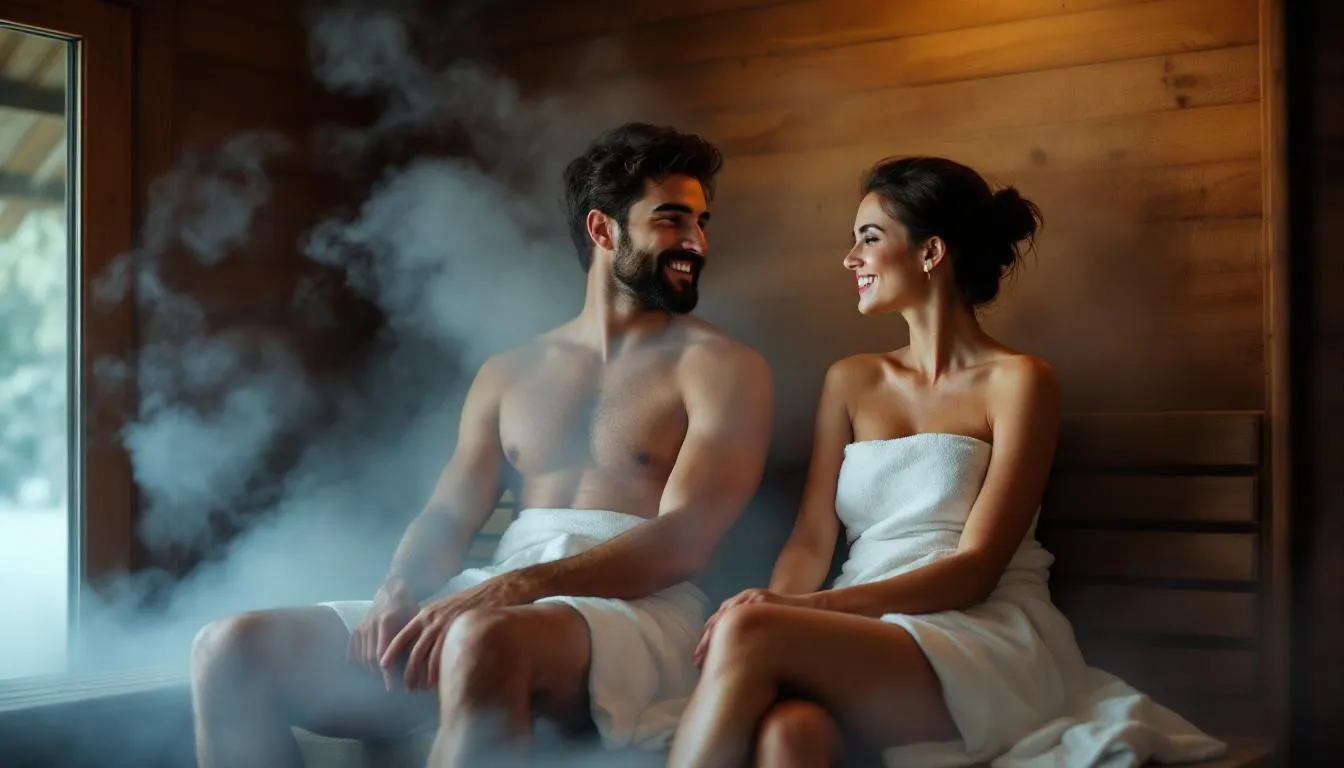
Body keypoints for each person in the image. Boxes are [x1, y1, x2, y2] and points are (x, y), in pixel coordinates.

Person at [189, 122, 774, 768]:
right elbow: (448, 513)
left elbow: (684, 540)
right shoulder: (511, 371)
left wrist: (507, 592)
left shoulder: (721, 367)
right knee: (229, 649)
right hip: (501, 595)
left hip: (641, 613)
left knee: (480, 637)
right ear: (603, 230)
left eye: (701, 220)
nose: (696, 240)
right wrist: (399, 587)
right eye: (672, 219)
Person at [666, 156, 1227, 768]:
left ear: (930, 252)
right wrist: (779, 605)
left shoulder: (1019, 382)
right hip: (861, 629)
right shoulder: (851, 380)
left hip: (981, 633)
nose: (850, 258)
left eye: (869, 238)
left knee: (748, 631)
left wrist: (791, 614)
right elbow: (810, 540)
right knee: (791, 735)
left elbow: (976, 570)